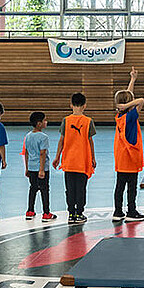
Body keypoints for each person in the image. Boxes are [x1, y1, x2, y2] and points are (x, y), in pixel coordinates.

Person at [54, 93, 95, 225]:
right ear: (85, 106)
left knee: (70, 188)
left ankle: (71, 213)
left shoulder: (66, 121)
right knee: (81, 188)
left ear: (71, 105)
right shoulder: (88, 121)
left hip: (69, 161)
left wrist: (57, 157)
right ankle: (79, 213)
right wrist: (93, 158)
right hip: (82, 161)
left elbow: (61, 140)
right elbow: (90, 141)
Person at [113, 70, 144, 222]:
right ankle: (131, 211)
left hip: (121, 158)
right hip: (130, 157)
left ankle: (118, 212)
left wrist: (132, 80)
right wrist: (128, 103)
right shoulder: (131, 117)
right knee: (131, 187)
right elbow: (141, 100)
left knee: (119, 186)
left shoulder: (120, 116)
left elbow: (131, 97)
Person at [23, 111, 54, 221]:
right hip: (41, 168)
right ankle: (46, 213)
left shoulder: (28, 136)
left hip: (31, 167)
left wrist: (26, 168)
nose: (46, 122)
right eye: (44, 120)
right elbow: (42, 153)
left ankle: (30, 211)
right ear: (39, 123)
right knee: (44, 190)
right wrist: (41, 170)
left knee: (33, 188)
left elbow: (26, 152)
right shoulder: (43, 137)